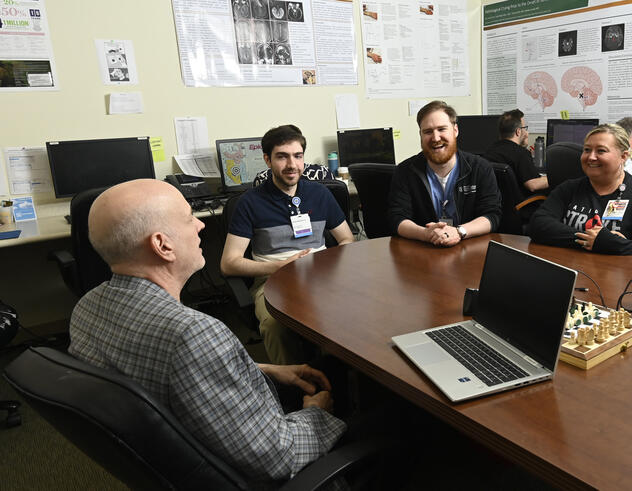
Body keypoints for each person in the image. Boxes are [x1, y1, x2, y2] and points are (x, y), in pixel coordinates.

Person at [68, 179, 346, 484]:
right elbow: (280, 458)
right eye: (189, 217)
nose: (200, 225)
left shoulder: (86, 308)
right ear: (163, 245)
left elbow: (165, 372)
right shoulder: (193, 334)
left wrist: (262, 368)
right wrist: (317, 415)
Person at [221, 125, 354, 365]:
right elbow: (229, 264)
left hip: (321, 278)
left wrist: (326, 264)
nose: (292, 164)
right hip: (273, 282)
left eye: (298, 156)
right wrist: (281, 266)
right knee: (276, 326)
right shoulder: (249, 203)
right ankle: (295, 387)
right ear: (267, 160)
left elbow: (347, 239)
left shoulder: (320, 194)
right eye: (282, 156)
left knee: (356, 314)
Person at [528, 124, 632, 259]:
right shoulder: (569, 188)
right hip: (574, 268)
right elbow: (537, 225)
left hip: (620, 276)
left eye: (601, 150)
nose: (591, 157)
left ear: (623, 156)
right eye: (587, 150)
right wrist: (589, 239)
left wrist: (616, 245)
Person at [388, 100, 501, 247]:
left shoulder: (480, 168)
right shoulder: (405, 171)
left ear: (455, 130)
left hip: (470, 248)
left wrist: (459, 231)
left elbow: (492, 215)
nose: (435, 138)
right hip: (424, 251)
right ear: (420, 135)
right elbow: (397, 218)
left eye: (442, 129)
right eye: (428, 132)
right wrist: (425, 234)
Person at [482, 109, 548, 196]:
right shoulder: (521, 153)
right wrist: (557, 177)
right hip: (522, 205)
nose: (527, 133)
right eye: (525, 129)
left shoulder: (490, 150)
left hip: (499, 204)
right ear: (518, 131)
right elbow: (533, 185)